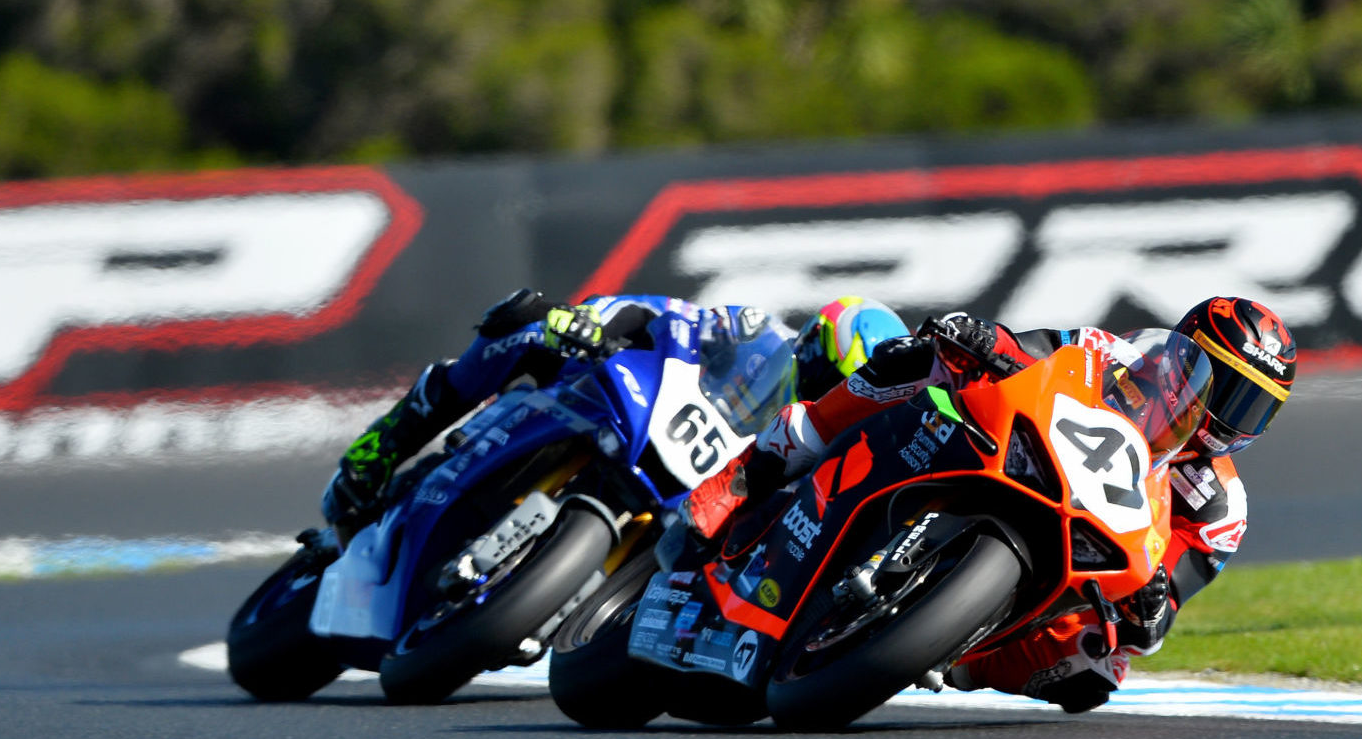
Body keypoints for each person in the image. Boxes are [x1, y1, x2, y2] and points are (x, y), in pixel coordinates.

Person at [669, 296, 1295, 714]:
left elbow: (1159, 611)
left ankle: (952, 652)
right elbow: (1032, 348)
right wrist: (982, 339)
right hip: (1021, 453)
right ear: (1185, 353)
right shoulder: (1116, 355)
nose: (1228, 414)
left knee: (1095, 671)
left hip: (1092, 546)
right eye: (1226, 385)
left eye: (1252, 406)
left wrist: (1153, 609)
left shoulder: (1221, 508)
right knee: (921, 359)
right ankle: (754, 470)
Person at [318, 290, 909, 544]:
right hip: (638, 404)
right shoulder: (756, 336)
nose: (829, 395)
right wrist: (594, 323)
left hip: (694, 487)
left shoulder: (817, 445)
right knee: (524, 324)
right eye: (830, 378)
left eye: (844, 394)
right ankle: (378, 452)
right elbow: (673, 316)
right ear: (813, 346)